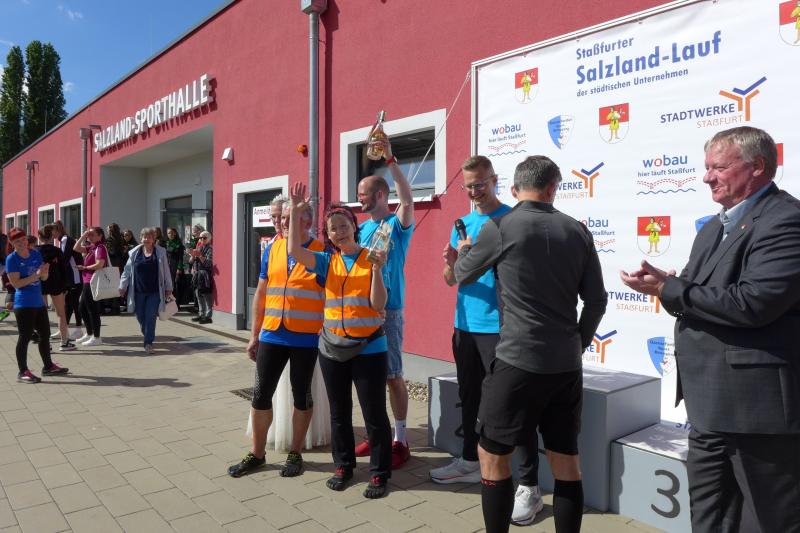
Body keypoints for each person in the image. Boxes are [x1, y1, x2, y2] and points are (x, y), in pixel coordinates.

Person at [620, 126, 800, 533]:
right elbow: (693, 296)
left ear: (757, 167)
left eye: (718, 167)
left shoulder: (786, 220)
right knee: (709, 518)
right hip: (708, 407)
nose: (706, 177)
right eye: (707, 168)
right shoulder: (712, 228)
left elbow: (754, 303)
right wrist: (662, 287)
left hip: (756, 414)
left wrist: (672, 288)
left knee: (769, 521)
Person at [454, 156, 607, 533]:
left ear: (513, 189)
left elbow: (462, 274)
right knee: (566, 460)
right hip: (566, 366)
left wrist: (464, 251)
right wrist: (577, 343)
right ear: (553, 188)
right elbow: (597, 301)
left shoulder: (499, 226)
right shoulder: (578, 231)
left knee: (491, 454)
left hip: (517, 362)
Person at [435, 155, 543, 524]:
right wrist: (454, 260)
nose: (474, 191)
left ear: (495, 180)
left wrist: (472, 260)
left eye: (480, 184)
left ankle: (528, 485)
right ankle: (469, 460)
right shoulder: (462, 224)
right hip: (465, 326)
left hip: (502, 329)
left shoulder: (511, 219)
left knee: (514, 407)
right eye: (468, 186)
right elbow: (451, 279)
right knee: (469, 398)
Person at [288, 182, 392, 499]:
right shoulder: (326, 261)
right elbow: (294, 251)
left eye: (344, 226)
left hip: (370, 347)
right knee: (339, 412)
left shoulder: (371, 257)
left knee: (374, 413)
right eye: (333, 229)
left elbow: (378, 304)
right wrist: (295, 211)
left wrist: (377, 270)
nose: (339, 232)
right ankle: (344, 466)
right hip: (332, 348)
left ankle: (379, 472)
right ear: (329, 235)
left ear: (354, 228)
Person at [228, 199, 325, 479]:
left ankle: (295, 452)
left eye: (290, 218)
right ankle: (257, 454)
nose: (283, 223)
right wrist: (254, 334)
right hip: (272, 334)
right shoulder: (273, 249)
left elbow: (330, 294)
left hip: (305, 337)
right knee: (260, 395)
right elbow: (261, 293)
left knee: (302, 396)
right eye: (282, 218)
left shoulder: (321, 252)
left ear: (307, 222)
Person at [354, 137, 415, 469]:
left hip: (388, 311)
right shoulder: (361, 229)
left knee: (392, 375)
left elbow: (406, 198)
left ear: (379, 195)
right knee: (368, 378)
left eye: (363, 194)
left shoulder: (397, 224)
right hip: (362, 310)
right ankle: (376, 433)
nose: (359, 198)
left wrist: (390, 159)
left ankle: (401, 440)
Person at [5, 227, 69, 383]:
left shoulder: (35, 254)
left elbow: (43, 278)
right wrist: (36, 275)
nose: (21, 243)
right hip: (23, 304)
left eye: (23, 239)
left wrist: (45, 273)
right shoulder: (12, 259)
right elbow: (16, 284)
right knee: (25, 337)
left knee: (45, 335)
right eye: (17, 241)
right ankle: (23, 372)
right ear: (12, 243)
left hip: (39, 302)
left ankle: (48, 366)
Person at [119, 227, 174, 354]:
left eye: (149, 237)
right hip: (138, 291)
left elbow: (166, 271)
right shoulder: (134, 253)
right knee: (140, 315)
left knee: (150, 316)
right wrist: (122, 286)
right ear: (141, 238)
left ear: (154, 239)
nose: (147, 239)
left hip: (155, 291)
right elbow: (127, 271)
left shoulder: (160, 252)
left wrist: (169, 287)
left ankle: (148, 342)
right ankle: (147, 332)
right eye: (144, 237)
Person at [37, 224, 74, 352]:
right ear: (52, 236)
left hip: (40, 283)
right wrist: (66, 286)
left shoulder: (35, 251)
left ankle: (46, 344)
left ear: (39, 236)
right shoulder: (57, 251)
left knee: (43, 315)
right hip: (56, 283)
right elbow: (64, 269)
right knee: (61, 314)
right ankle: (64, 342)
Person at [74, 227, 109, 346]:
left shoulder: (100, 247)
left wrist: (85, 267)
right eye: (89, 235)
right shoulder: (92, 247)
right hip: (87, 281)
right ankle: (89, 334)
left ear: (100, 236)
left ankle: (97, 337)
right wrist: (84, 235)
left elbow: (100, 264)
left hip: (92, 281)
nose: (90, 237)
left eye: (92, 235)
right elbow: (76, 248)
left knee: (92, 309)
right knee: (82, 309)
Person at [52, 221, 83, 337]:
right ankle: (64, 329)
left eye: (52, 231)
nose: (51, 233)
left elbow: (64, 259)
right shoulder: (63, 240)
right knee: (70, 304)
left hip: (75, 276)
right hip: (72, 276)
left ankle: (78, 329)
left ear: (57, 230)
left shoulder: (65, 240)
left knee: (73, 303)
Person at [190, 230, 213, 323]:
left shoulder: (210, 249)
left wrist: (199, 255)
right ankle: (201, 314)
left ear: (209, 238)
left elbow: (208, 263)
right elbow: (191, 261)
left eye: (204, 238)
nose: (202, 239)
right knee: (198, 294)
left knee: (206, 294)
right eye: (200, 238)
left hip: (205, 275)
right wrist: (192, 255)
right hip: (197, 274)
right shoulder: (199, 247)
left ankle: (208, 316)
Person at [105, 223, 125, 315]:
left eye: (108, 229)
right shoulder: (121, 239)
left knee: (112, 285)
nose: (107, 230)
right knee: (118, 284)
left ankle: (113, 307)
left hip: (112, 263)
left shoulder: (109, 240)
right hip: (120, 264)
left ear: (110, 230)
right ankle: (116, 306)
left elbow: (111, 252)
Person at [164, 227, 185, 302]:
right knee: (167, 284)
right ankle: (168, 302)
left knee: (175, 284)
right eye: (169, 233)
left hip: (175, 265)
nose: (170, 234)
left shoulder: (179, 243)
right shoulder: (165, 243)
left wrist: (179, 268)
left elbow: (180, 257)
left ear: (175, 233)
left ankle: (176, 302)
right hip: (167, 265)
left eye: (172, 233)